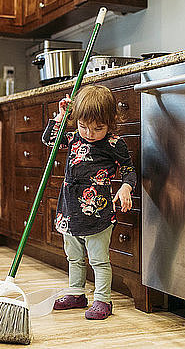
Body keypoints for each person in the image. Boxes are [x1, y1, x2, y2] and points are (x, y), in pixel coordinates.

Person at [41, 85, 136, 320]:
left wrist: (125, 187)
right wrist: (61, 116)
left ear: (111, 121)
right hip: (69, 210)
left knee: (98, 259)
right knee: (73, 255)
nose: (89, 133)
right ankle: (76, 293)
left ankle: (103, 300)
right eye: (83, 126)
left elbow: (129, 171)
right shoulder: (73, 138)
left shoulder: (114, 144)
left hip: (97, 213)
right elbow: (49, 140)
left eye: (98, 128)